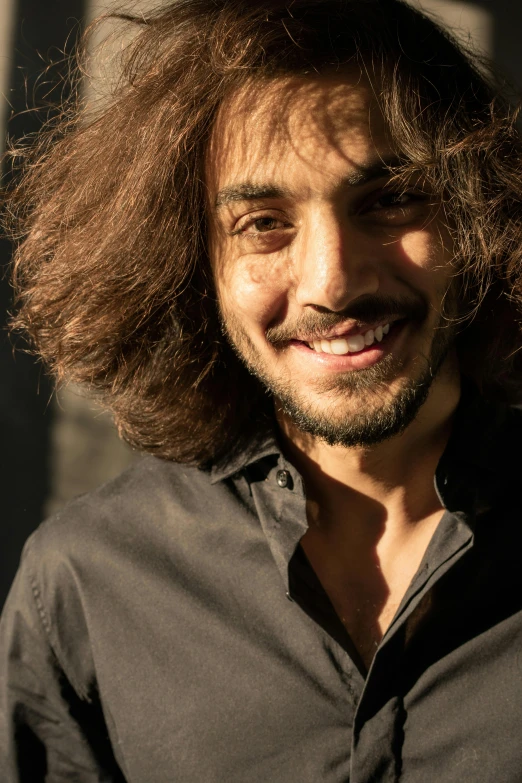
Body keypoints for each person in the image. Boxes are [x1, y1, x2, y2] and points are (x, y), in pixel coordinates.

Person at [2, 0, 522, 780]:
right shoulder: (84, 588)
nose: (332, 283)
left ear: (479, 214)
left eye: (388, 200)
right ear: (191, 263)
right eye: (264, 223)